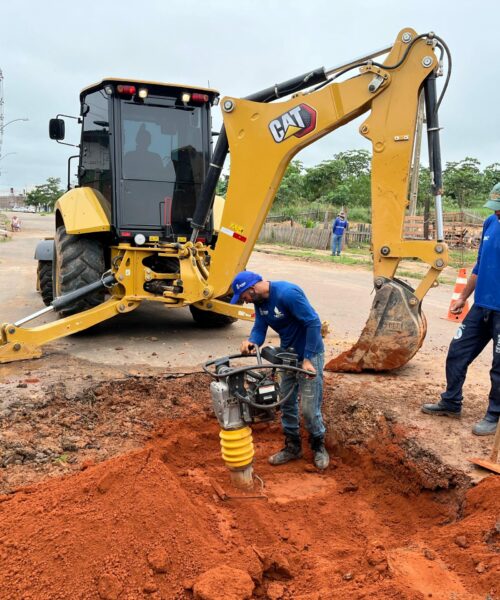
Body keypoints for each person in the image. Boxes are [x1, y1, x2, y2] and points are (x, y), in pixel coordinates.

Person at [421, 183, 500, 436]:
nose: (496, 212)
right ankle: (451, 401)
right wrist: (463, 297)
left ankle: (493, 414)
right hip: (481, 306)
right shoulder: (490, 223)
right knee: (457, 351)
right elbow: (479, 265)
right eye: (495, 208)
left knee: (499, 367)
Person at [230, 271, 329, 469]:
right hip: (287, 356)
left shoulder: (287, 293)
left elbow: (313, 322)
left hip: (309, 355)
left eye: (244, 297)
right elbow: (260, 327)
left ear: (252, 288)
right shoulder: (261, 303)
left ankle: (318, 446)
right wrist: (252, 342)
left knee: (309, 409)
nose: (246, 301)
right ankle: (293, 447)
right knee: (286, 403)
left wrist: (308, 358)